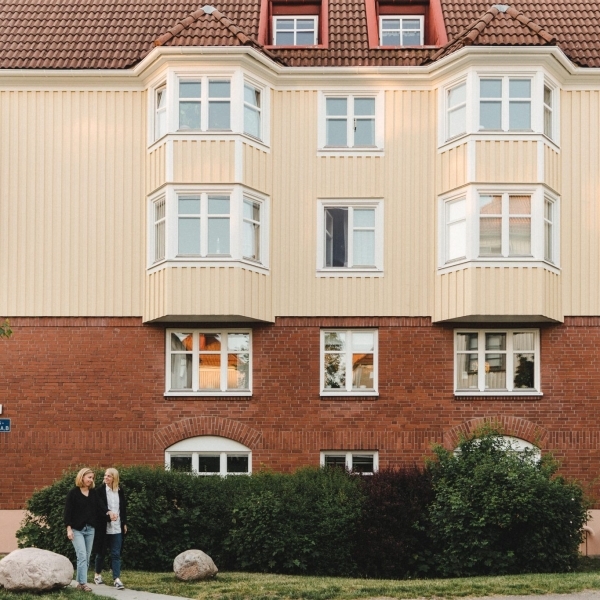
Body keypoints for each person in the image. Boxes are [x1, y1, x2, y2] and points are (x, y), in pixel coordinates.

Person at [64, 467, 101, 592]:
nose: (91, 480)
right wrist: (69, 529)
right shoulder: (73, 493)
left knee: (86, 556)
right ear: (82, 477)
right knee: (82, 556)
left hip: (90, 529)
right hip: (77, 529)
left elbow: (101, 508)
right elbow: (67, 513)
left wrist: (109, 513)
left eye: (92, 478)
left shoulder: (94, 493)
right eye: (89, 477)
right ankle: (83, 583)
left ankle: (80, 583)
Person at [93, 468, 128, 590]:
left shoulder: (120, 491)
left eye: (109, 476)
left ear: (114, 478)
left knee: (116, 554)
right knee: (101, 553)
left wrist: (124, 523)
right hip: (103, 527)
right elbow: (98, 509)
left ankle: (116, 579)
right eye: (105, 475)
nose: (105, 478)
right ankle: (97, 575)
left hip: (117, 527)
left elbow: (122, 508)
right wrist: (108, 515)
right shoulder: (99, 491)